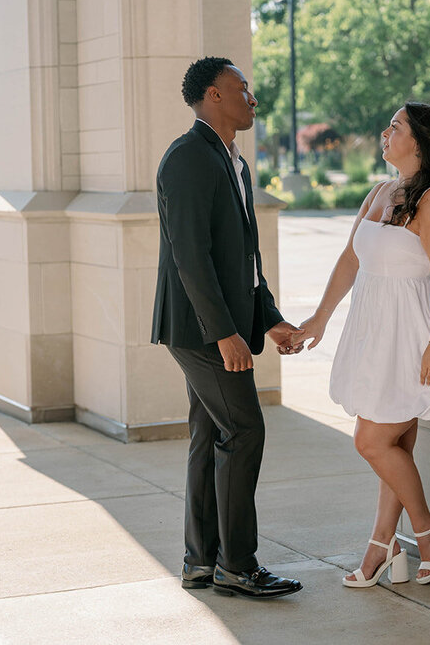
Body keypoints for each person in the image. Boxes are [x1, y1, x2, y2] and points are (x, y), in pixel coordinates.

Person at [294, 102, 430, 587]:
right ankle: (383, 544)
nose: (384, 133)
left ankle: (427, 534)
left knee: (371, 441)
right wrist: (320, 318)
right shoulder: (381, 191)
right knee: (394, 443)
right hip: (374, 333)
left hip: (412, 337)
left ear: (421, 142)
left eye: (396, 126)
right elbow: (351, 260)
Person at [151, 56, 306, 599]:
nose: (252, 98)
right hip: (199, 330)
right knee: (244, 431)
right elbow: (190, 256)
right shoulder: (188, 157)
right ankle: (238, 565)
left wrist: (270, 319)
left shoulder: (234, 163)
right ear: (213, 95)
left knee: (212, 434)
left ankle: (202, 561)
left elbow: (244, 258)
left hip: (216, 325)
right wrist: (223, 332)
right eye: (242, 88)